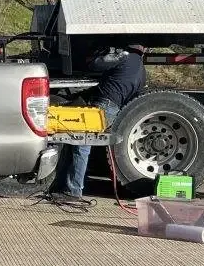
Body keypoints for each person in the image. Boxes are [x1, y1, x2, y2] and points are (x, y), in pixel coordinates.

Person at [52, 44, 147, 200]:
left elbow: (97, 64)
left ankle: (73, 191)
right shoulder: (141, 71)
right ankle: (69, 185)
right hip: (114, 108)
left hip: (104, 105)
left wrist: (92, 56)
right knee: (80, 141)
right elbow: (135, 96)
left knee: (81, 143)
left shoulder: (124, 56)